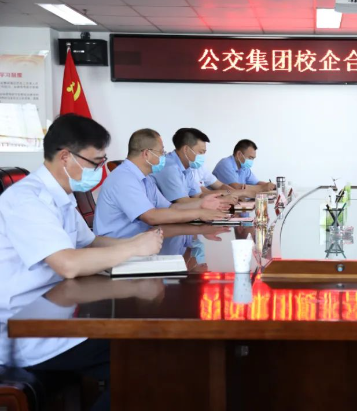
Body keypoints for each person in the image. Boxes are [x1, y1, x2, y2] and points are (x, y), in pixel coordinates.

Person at [0, 114, 163, 410]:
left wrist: (140, 249)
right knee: (142, 359)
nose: (100, 171)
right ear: (66, 157)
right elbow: (68, 264)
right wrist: (133, 248)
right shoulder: (27, 200)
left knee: (143, 346)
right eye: (95, 162)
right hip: (28, 331)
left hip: (59, 312)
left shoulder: (62, 195)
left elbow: (90, 242)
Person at [94, 128, 229, 238]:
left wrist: (201, 205)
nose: (164, 156)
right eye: (161, 152)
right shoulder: (124, 178)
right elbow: (151, 217)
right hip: (119, 249)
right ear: (147, 154)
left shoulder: (145, 179)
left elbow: (171, 208)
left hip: (142, 242)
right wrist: (198, 213)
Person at [151, 128, 236, 204]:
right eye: (201, 152)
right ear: (186, 149)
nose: (202, 156)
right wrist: (220, 201)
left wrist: (223, 198)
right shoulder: (170, 167)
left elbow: (198, 195)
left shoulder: (187, 168)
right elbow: (183, 202)